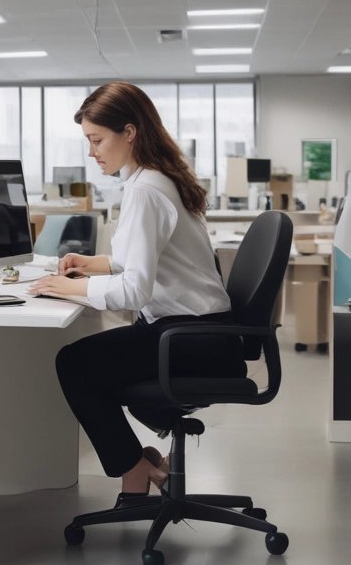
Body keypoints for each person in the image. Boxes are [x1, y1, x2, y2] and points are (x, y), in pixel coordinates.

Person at [27, 81, 244, 504]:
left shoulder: (145, 189)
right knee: (92, 363)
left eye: (97, 140)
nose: (92, 152)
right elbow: (141, 262)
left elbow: (134, 289)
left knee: (74, 364)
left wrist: (72, 289)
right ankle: (139, 468)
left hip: (191, 339)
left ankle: (136, 469)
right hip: (207, 334)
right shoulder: (156, 179)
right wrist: (92, 265)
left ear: (129, 132)